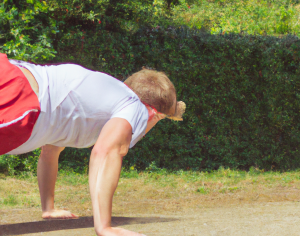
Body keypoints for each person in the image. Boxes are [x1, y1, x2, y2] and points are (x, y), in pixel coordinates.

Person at [0, 52, 185, 236]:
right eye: (157, 122)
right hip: (18, 95)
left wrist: (48, 208)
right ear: (153, 113)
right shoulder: (134, 104)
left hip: (12, 72)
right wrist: (104, 227)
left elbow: (50, 152)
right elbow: (106, 151)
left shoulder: (88, 97)